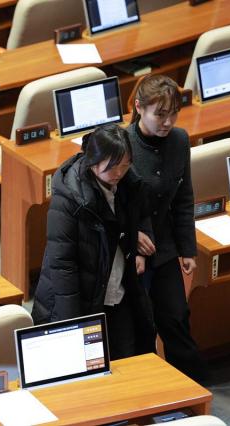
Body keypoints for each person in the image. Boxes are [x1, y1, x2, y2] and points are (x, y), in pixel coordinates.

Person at [31, 124, 156, 360]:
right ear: (93, 161)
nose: (119, 172)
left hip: (118, 289)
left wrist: (137, 242)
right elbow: (62, 264)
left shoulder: (129, 183)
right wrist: (72, 327)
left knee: (128, 360)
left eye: (125, 164)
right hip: (80, 297)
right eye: (112, 167)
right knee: (89, 365)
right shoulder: (69, 198)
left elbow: (142, 213)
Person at [127, 74, 207, 380]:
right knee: (141, 326)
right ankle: (147, 389)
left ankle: (192, 389)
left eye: (173, 113)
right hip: (130, 252)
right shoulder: (124, 145)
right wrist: (131, 236)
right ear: (139, 108)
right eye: (160, 114)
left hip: (165, 245)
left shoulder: (179, 140)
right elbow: (111, 207)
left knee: (176, 317)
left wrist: (188, 248)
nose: (168, 121)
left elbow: (184, 198)